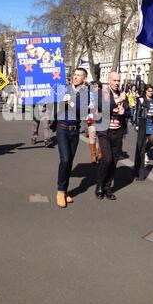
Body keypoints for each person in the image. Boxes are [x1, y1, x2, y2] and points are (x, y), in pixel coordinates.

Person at [55, 68, 89, 208]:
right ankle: (60, 191)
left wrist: (72, 103)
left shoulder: (86, 94)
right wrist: (60, 101)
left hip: (75, 131)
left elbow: (83, 113)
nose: (75, 77)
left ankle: (65, 190)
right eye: (74, 75)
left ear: (84, 79)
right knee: (65, 159)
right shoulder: (64, 89)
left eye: (79, 75)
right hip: (62, 128)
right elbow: (53, 106)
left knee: (70, 162)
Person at [95, 72, 130, 201]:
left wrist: (124, 112)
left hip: (118, 131)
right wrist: (117, 101)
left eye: (118, 80)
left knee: (114, 161)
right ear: (108, 80)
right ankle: (99, 185)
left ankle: (108, 187)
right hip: (105, 131)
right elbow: (102, 107)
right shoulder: (103, 93)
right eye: (114, 80)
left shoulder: (123, 93)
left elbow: (129, 112)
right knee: (107, 159)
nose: (117, 82)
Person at [134, 85, 153, 180]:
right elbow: (137, 112)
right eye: (149, 91)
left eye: (152, 91)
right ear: (145, 91)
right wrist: (136, 124)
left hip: (151, 122)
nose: (151, 93)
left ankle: (144, 151)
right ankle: (138, 171)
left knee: (152, 140)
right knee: (140, 145)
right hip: (143, 122)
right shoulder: (141, 100)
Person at [87, 81, 102, 164]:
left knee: (101, 137)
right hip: (92, 118)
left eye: (96, 86)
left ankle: (100, 154)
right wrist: (87, 106)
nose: (95, 88)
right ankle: (93, 155)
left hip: (101, 119)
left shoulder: (103, 96)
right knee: (92, 136)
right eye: (93, 87)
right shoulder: (89, 96)